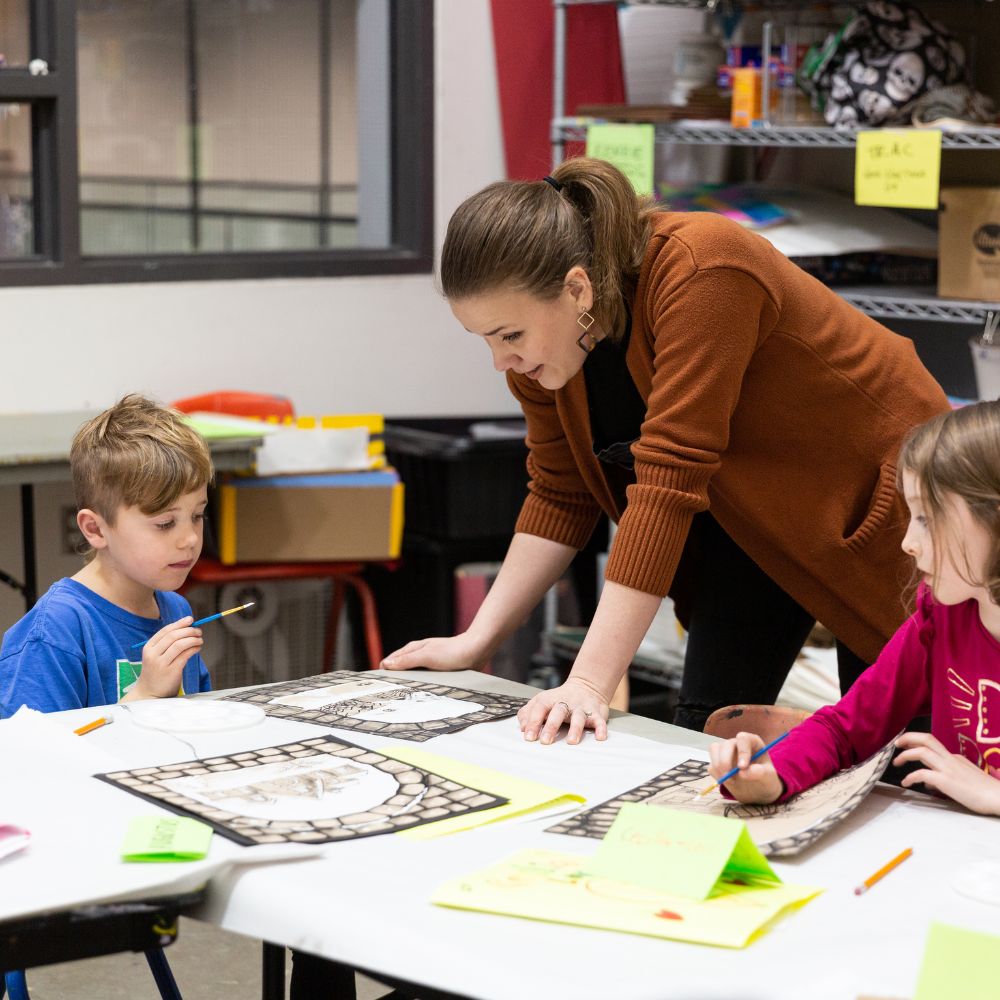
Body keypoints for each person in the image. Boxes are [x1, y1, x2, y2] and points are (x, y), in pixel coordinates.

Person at [381, 157, 949, 746]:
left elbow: (666, 483)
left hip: (881, 492)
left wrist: (590, 683)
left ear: (577, 289)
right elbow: (559, 492)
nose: (502, 361)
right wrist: (476, 641)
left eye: (510, 335)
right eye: (486, 340)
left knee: (902, 749)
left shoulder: (703, 268)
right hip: (749, 515)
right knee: (703, 734)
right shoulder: (545, 358)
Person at [708, 402, 1000, 816]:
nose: (908, 543)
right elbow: (845, 729)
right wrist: (772, 774)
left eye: (928, 518)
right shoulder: (940, 617)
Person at [0, 394, 211, 717]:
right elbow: (34, 745)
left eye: (197, 515)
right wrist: (144, 695)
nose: (190, 539)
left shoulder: (176, 610)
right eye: (165, 523)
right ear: (95, 529)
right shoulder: (55, 631)